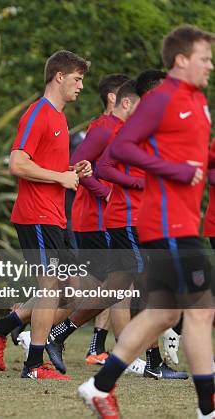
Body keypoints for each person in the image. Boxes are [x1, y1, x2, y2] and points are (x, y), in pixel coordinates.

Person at [78, 25, 214, 419]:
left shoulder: (198, 100)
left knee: (164, 313)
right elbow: (120, 149)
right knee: (202, 311)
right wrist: (171, 169)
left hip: (183, 222)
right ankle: (208, 408)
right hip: (167, 223)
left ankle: (99, 386)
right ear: (182, 60)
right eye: (204, 58)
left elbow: (197, 158)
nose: (210, 64)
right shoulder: (160, 99)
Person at [0, 50, 91, 379]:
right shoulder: (38, 113)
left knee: (73, 291)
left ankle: (2, 326)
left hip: (54, 216)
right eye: (77, 78)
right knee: (50, 287)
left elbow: (45, 165)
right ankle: (33, 365)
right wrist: (60, 177)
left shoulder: (59, 117)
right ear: (59, 76)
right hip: (36, 215)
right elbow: (17, 162)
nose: (80, 86)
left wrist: (72, 169)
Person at [69, 73, 129, 364]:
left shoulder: (121, 128)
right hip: (95, 218)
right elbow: (78, 165)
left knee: (106, 288)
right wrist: (105, 192)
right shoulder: (101, 128)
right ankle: (23, 325)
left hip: (107, 218)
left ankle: (17, 324)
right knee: (113, 289)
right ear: (114, 98)